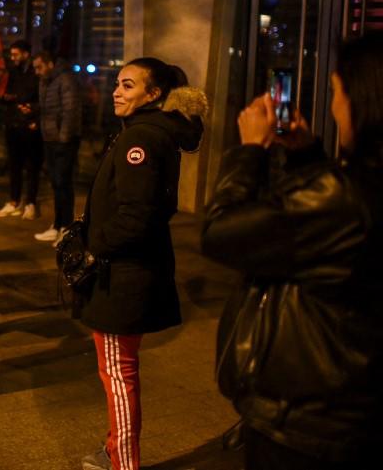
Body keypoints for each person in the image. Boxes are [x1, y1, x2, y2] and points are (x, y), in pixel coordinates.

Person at [201, 34, 383, 470]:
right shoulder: (358, 190)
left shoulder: (343, 198)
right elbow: (322, 240)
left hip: (306, 422)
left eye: (337, 91)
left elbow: (220, 233)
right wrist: (307, 156)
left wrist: (248, 151)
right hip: (356, 409)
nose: (336, 105)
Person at [77, 57, 206, 470]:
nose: (117, 91)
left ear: (153, 95)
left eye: (128, 85)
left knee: (118, 376)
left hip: (124, 277)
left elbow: (138, 214)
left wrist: (96, 247)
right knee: (118, 372)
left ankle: (124, 463)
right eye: (117, 83)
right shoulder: (144, 131)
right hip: (126, 271)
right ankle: (114, 448)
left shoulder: (143, 140)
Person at [33, 52, 82, 244]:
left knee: (64, 183)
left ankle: (66, 228)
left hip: (64, 141)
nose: (37, 72)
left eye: (39, 67)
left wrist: (63, 138)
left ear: (50, 63)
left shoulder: (66, 80)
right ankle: (57, 225)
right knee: (56, 183)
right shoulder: (46, 80)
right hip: (50, 138)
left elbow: (70, 111)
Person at [0, 40, 41, 220]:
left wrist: (32, 110)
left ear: (25, 54)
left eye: (15, 54)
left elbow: (38, 97)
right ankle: (14, 200)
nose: (12, 58)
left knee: (31, 167)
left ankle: (30, 202)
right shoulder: (13, 72)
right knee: (14, 166)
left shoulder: (34, 72)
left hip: (29, 125)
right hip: (13, 123)